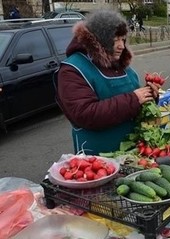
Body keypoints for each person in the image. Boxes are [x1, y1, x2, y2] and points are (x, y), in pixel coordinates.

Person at [55, 9, 159, 155]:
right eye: (115, 39)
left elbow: (135, 105)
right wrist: (134, 99)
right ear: (99, 39)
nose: (121, 46)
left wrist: (149, 96)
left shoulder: (122, 66)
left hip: (132, 152)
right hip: (96, 158)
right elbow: (86, 115)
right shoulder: (72, 69)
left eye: (123, 39)